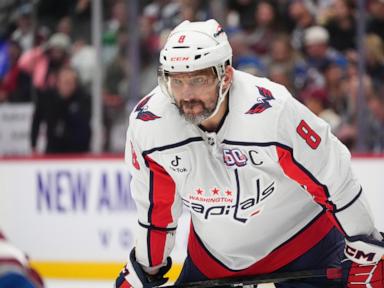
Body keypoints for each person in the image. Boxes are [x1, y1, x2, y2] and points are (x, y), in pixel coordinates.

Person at [116, 19, 384, 288]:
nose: (187, 95)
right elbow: (156, 209)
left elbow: (332, 176)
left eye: (198, 79)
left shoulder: (272, 112)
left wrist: (366, 250)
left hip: (306, 248)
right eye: (177, 81)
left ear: (226, 76)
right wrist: (146, 267)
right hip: (214, 261)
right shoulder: (150, 123)